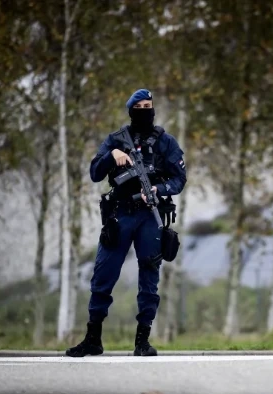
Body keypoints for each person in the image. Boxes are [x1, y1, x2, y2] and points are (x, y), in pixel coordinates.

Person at [66, 88, 186, 357]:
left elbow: (179, 179)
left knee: (149, 276)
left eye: (149, 105)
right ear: (131, 110)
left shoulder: (166, 142)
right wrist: (112, 156)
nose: (145, 110)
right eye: (140, 106)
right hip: (120, 215)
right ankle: (93, 339)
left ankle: (142, 341)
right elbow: (95, 172)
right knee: (104, 274)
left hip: (149, 216)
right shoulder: (116, 140)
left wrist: (159, 190)